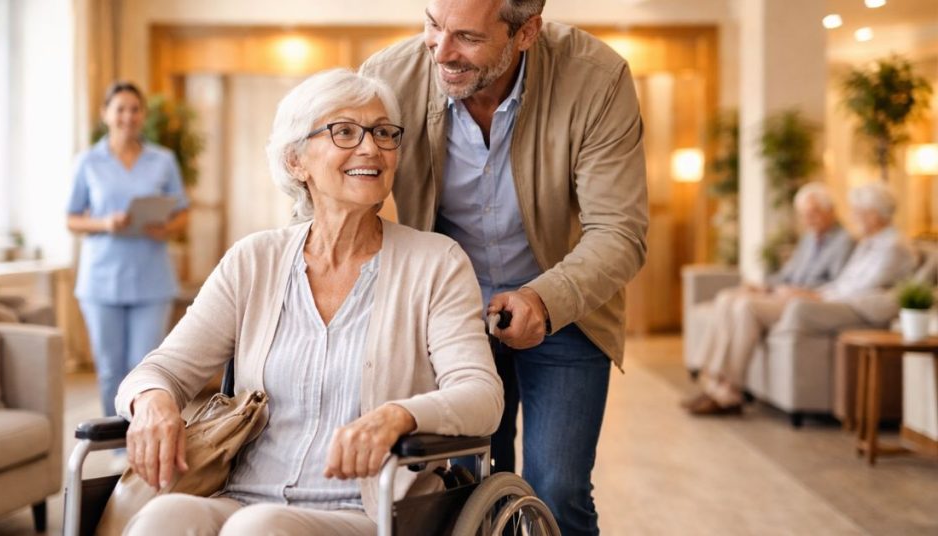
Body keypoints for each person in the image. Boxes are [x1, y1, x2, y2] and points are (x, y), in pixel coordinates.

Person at [117, 69, 503, 535]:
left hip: (367, 512)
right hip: (242, 496)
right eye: (344, 132)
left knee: (257, 530)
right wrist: (154, 401)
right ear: (296, 161)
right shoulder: (253, 260)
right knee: (162, 517)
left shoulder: (436, 262)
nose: (370, 148)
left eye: (383, 132)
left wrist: (398, 415)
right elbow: (162, 370)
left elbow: (482, 396)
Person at [361, 1, 649, 534]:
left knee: (557, 489)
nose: (441, 52)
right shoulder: (386, 79)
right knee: (461, 489)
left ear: (527, 32)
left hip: (566, 307)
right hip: (449, 314)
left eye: (467, 37)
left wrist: (544, 299)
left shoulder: (597, 78)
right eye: (431, 25)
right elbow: (338, 188)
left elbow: (619, 231)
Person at [687, 182, 915, 416]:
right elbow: (841, 283)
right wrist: (777, 288)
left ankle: (726, 388)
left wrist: (811, 294)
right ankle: (717, 383)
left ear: (874, 215)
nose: (853, 217)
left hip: (846, 308)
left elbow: (859, 290)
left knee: (746, 306)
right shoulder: (869, 243)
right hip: (827, 298)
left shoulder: (892, 246)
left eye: (857, 212)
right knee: (730, 298)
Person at [67, 81, 190, 418]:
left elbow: (182, 213)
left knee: (146, 368)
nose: (128, 116)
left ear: (143, 115)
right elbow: (72, 219)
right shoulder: (88, 162)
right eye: (120, 109)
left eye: (135, 109)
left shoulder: (163, 160)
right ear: (105, 114)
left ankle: (141, 436)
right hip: (101, 280)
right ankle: (117, 444)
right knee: (109, 369)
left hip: (152, 279)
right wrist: (105, 224)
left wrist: (164, 228)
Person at [683, 182, 854, 379]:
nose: (808, 219)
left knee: (744, 306)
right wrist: (765, 285)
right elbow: (787, 272)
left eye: (813, 213)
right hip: (783, 291)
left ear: (830, 210)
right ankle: (704, 367)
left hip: (803, 298)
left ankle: (722, 378)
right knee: (726, 297)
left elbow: (836, 284)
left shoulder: (844, 241)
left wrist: (796, 291)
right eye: (804, 214)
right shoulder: (809, 238)